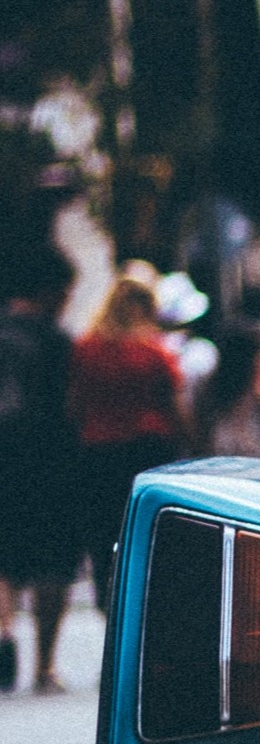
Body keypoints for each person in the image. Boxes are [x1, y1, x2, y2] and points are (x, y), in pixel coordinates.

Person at [70, 269, 187, 611]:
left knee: (103, 534)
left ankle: (108, 605)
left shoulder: (86, 348)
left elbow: (74, 405)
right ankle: (141, 605)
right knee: (144, 533)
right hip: (146, 452)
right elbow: (175, 408)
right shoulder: (155, 353)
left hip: (97, 453)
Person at [0, 242, 82, 694]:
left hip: (3, 458)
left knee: (4, 558)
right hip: (51, 460)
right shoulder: (57, 342)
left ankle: (3, 633)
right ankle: (44, 666)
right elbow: (72, 406)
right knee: (53, 561)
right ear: (49, 290)